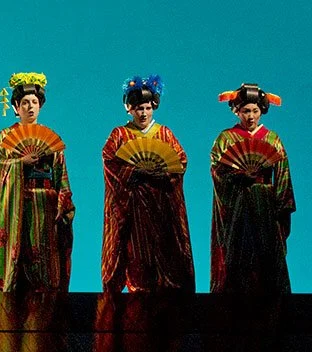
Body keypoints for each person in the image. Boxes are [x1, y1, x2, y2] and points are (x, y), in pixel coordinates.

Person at [101, 74, 194, 293]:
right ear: (129, 109)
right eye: (138, 109)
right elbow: (110, 160)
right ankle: (138, 287)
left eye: (147, 108)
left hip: (161, 205)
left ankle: (167, 287)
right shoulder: (119, 135)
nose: (143, 113)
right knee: (135, 249)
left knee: (165, 245)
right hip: (133, 206)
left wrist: (161, 174)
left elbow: (180, 161)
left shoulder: (164, 134)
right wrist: (135, 171)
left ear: (154, 107)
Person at [0, 72, 75, 292]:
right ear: (16, 107)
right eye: (25, 103)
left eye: (34, 102)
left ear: (40, 106)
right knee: (16, 262)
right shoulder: (4, 137)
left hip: (45, 205)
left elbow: (61, 176)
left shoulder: (50, 136)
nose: (30, 107)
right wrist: (20, 163)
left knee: (44, 261)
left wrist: (63, 203)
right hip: (16, 204)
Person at [211, 82, 295, 293]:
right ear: (237, 111)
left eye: (255, 111)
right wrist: (239, 176)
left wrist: (281, 205)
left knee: (268, 253)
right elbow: (218, 170)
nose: (250, 116)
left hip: (265, 203)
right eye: (246, 111)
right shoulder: (226, 138)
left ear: (262, 111)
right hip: (238, 204)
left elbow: (283, 174)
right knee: (239, 252)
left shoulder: (272, 139)